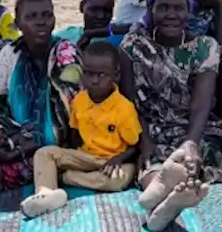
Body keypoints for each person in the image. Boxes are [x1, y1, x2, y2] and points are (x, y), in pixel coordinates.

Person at [119, 0, 222, 232]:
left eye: (179, 8)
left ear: (189, 11)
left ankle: (164, 200)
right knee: (151, 160)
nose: (171, 15)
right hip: (148, 127)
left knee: (196, 155)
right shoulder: (133, 44)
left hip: (194, 127)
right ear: (150, 9)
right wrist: (145, 142)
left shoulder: (204, 47)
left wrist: (190, 143)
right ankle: (161, 194)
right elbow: (130, 102)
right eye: (163, 7)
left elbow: (201, 104)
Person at [20, 41, 141, 218]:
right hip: (85, 156)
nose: (94, 80)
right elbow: (74, 132)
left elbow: (135, 146)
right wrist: (69, 156)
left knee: (119, 180)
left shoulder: (124, 109)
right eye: (88, 73)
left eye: (101, 75)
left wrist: (118, 159)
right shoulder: (80, 100)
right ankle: (46, 192)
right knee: (44, 153)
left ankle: (68, 179)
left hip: (112, 161)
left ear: (115, 76)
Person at [0, 0, 82, 148]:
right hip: (20, 136)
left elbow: (73, 109)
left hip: (64, 142)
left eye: (47, 15)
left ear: (54, 20)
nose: (40, 22)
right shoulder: (12, 52)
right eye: (31, 17)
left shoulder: (67, 53)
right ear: (18, 24)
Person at [55, 0, 129, 47]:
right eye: (94, 10)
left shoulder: (122, 39)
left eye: (107, 11)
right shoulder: (65, 37)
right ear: (81, 7)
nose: (101, 16)